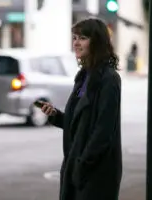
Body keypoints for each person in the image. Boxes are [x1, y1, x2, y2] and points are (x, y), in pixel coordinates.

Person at [39, 18, 122, 200]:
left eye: (82, 38)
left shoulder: (109, 79)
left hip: (95, 172)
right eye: (75, 37)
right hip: (76, 166)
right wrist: (56, 116)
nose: (76, 42)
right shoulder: (84, 76)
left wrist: (83, 164)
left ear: (97, 41)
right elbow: (79, 122)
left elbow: (103, 130)